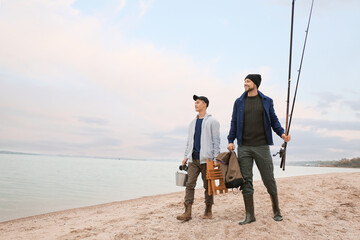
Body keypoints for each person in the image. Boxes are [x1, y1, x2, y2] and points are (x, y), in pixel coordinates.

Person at [227, 74, 291, 225]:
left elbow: (274, 120)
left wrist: (282, 133)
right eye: (244, 81)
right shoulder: (239, 102)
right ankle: (250, 215)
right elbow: (234, 122)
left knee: (268, 179)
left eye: (248, 81)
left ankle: (276, 210)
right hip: (244, 147)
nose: (245, 83)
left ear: (255, 84)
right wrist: (231, 140)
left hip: (262, 146)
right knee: (246, 181)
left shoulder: (267, 101)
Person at [176, 95, 220, 221]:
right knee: (189, 184)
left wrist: (216, 158)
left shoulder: (213, 122)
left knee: (208, 186)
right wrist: (185, 156)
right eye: (195, 102)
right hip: (193, 160)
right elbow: (189, 142)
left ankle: (208, 209)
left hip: (207, 160)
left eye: (198, 102)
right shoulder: (192, 123)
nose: (195, 104)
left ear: (205, 104)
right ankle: (187, 211)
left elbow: (216, 141)